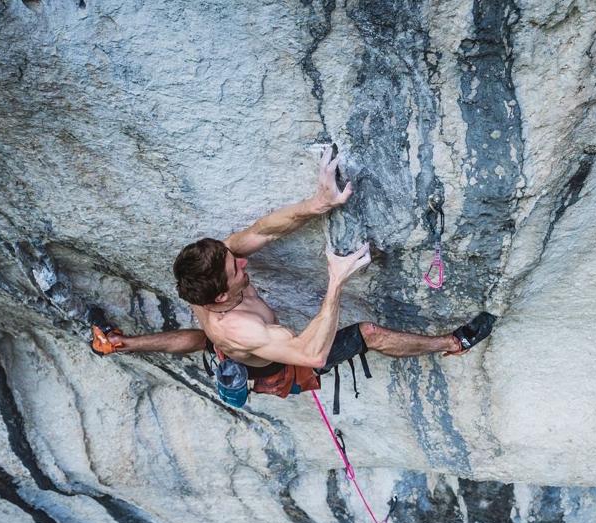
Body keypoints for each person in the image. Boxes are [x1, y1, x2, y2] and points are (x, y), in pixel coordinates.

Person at [91, 149, 495, 402]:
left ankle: (120, 344)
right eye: (236, 271)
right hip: (273, 361)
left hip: (231, 348)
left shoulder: (206, 273)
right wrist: (336, 281)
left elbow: (264, 230)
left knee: (200, 340)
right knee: (367, 335)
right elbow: (311, 354)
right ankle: (455, 341)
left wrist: (318, 204)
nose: (243, 263)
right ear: (217, 299)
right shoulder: (237, 329)